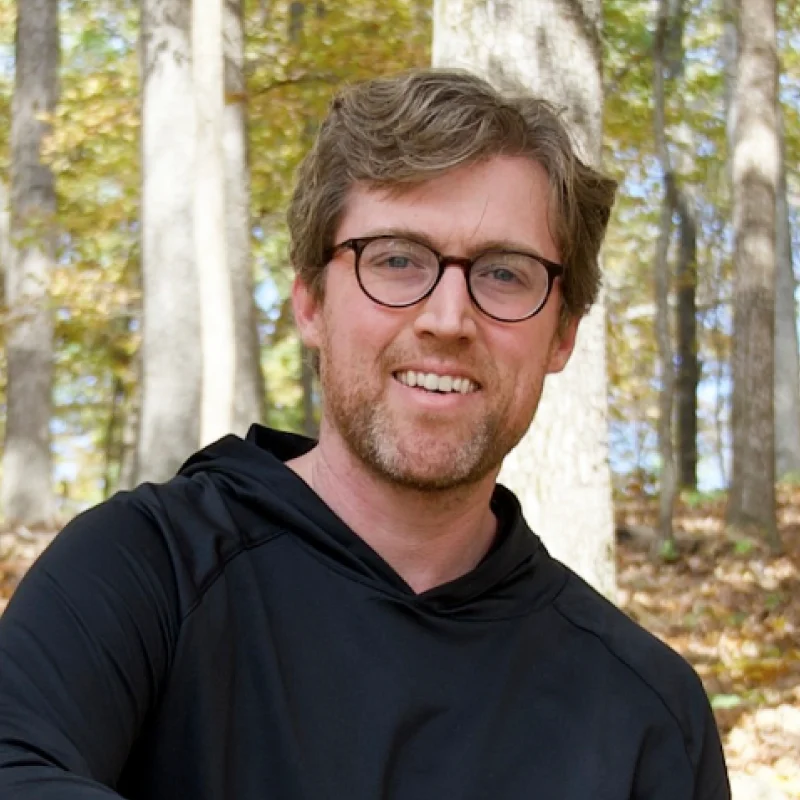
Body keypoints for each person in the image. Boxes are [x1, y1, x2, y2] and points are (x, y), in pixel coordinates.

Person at [0, 68, 730, 799]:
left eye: (505, 274)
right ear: (313, 303)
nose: (448, 318)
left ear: (563, 334)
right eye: (397, 260)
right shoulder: (145, 569)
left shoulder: (647, 715)